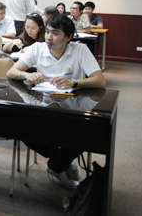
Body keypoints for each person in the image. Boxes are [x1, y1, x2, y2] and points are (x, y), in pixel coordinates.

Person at [7, 14, 106, 189]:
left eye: (55, 33)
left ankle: (57, 165)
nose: (49, 37)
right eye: (47, 32)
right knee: (23, 129)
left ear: (68, 37)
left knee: (87, 134)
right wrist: (26, 74)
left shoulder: (80, 50)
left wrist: (74, 83)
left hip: (72, 109)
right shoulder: (37, 48)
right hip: (43, 107)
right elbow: (11, 72)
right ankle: (61, 161)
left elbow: (100, 81)